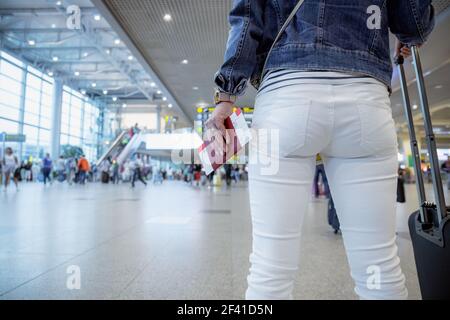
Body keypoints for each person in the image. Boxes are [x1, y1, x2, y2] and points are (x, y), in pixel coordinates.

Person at [209, 0, 435, 300]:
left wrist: (226, 94)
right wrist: (403, 39)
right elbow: (414, 24)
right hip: (365, 105)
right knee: (379, 267)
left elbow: (248, 15)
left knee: (270, 270)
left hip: (285, 101)